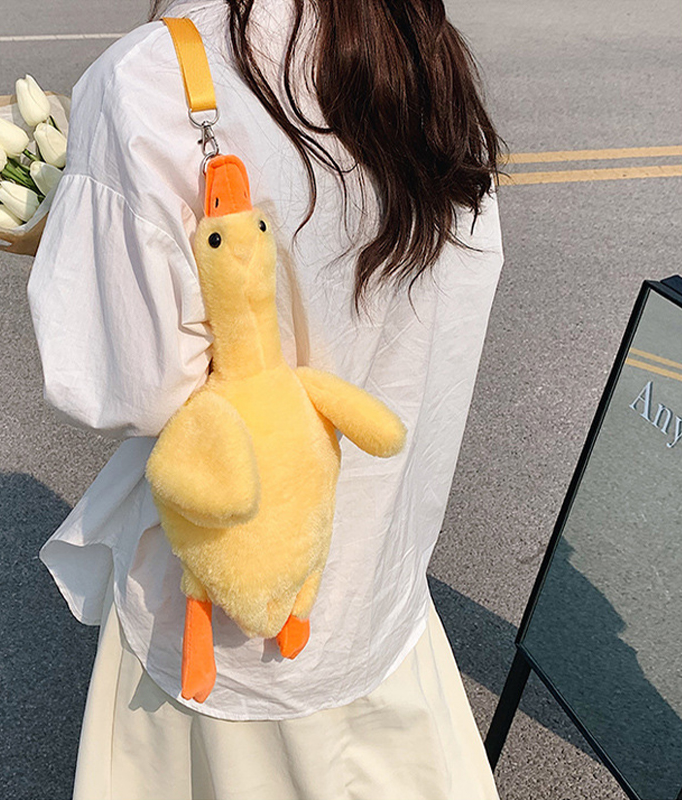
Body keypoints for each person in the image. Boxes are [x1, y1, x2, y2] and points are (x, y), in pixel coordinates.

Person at [27, 0, 504, 797]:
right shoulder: (418, 49)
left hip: (221, 613)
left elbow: (127, 384)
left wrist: (80, 249)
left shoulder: (152, 79)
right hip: (380, 578)